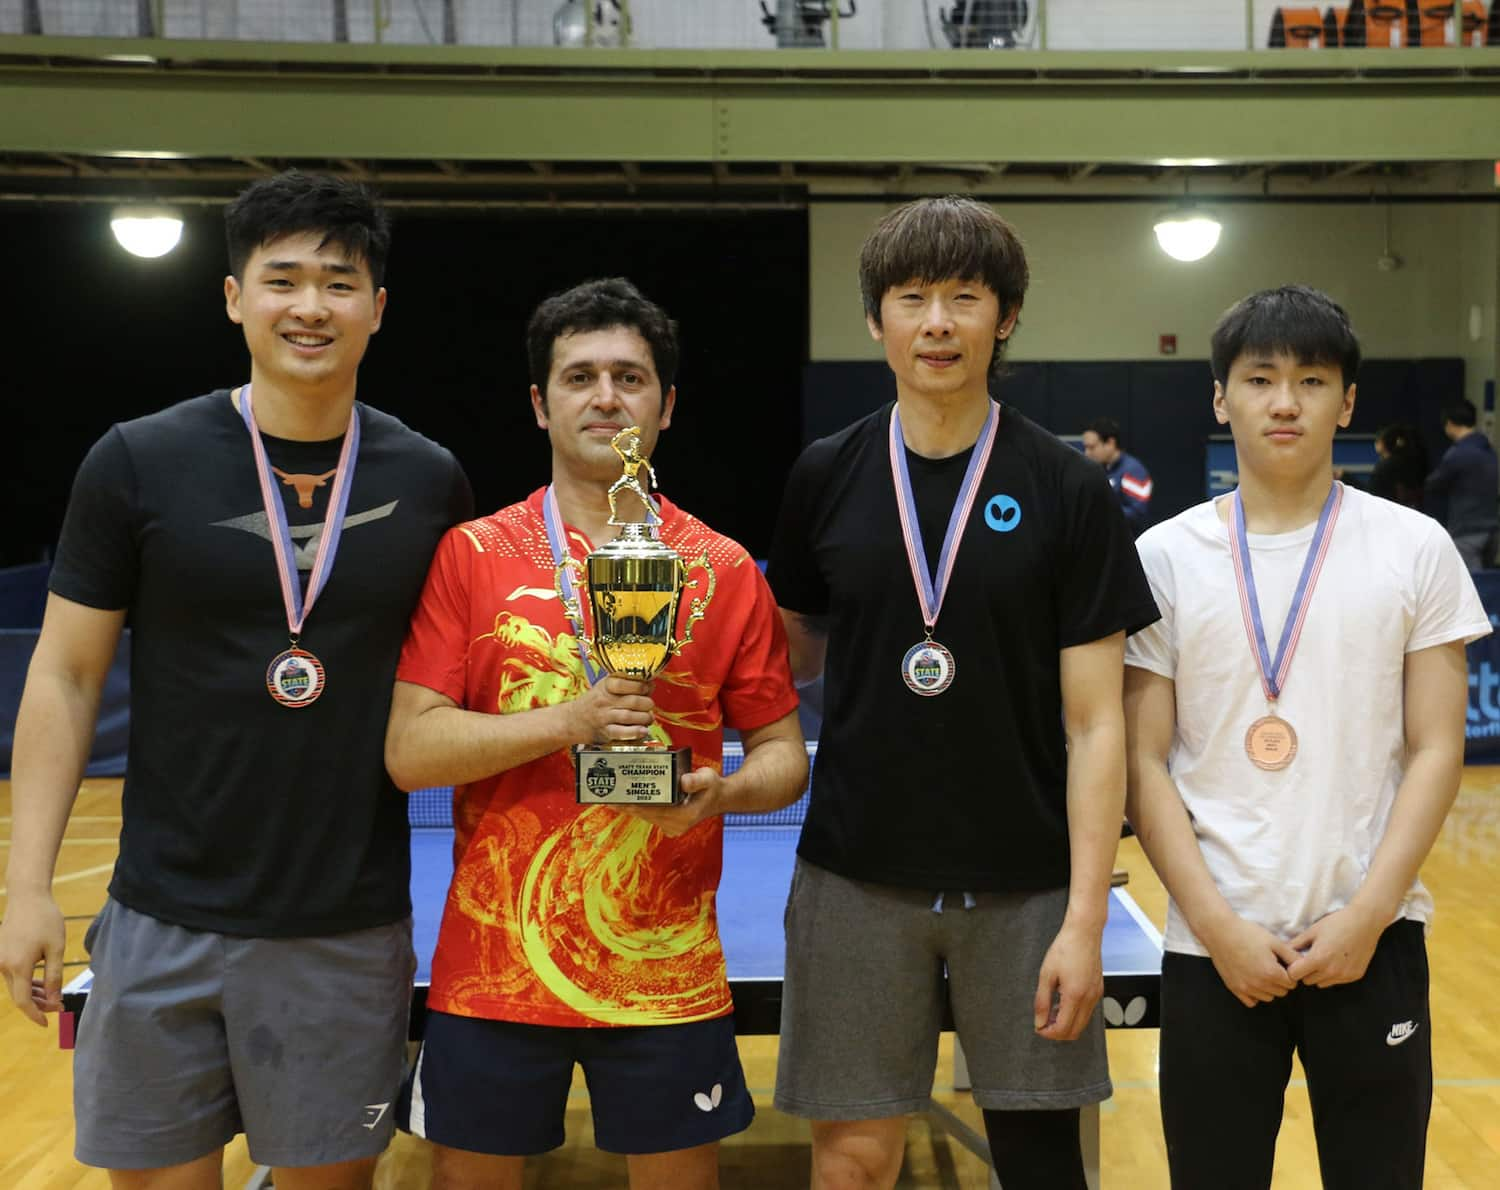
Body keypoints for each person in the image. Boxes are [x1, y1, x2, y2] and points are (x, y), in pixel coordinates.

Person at [0, 171, 473, 1188]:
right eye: (282, 279)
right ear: (233, 296)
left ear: (377, 309)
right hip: (162, 916)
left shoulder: (427, 478)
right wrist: (26, 886)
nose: (310, 306)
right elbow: (67, 676)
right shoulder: (135, 461)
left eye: (339, 283)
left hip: (342, 929)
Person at [765, 196, 1160, 1190]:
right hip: (854, 875)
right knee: (852, 1158)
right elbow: (791, 653)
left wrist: (1082, 920)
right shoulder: (825, 473)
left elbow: (1096, 718)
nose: (937, 321)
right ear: (876, 320)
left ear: (1006, 316)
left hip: (1024, 888)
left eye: (964, 297)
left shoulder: (1069, 488)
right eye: (911, 298)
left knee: (1039, 1163)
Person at [383, 277, 807, 1190]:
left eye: (629, 377)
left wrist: (725, 795)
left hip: (668, 968)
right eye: (579, 377)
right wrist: (572, 721)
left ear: (667, 406)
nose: (606, 396)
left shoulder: (724, 568)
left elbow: (784, 757)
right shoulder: (474, 554)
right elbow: (410, 749)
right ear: (541, 405)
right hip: (493, 966)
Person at [1123, 285, 1487, 1190]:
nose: (1285, 402)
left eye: (1312, 381)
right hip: (1214, 950)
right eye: (1260, 379)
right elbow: (1140, 757)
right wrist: (1214, 924)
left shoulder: (1415, 547)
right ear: (1221, 397)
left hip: (1374, 941)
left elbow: (1439, 748)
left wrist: (1366, 917)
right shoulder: (1161, 557)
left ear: (1348, 402)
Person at [1424, 398, 1499, 572]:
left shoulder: (1458, 454)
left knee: (1473, 584)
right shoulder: (1489, 450)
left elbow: (1434, 483)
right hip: (1492, 528)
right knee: (1488, 583)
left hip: (1467, 529)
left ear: (1450, 424)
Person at [1082, 417, 1153, 536]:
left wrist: (1100, 512)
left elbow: (1138, 514)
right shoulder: (1101, 468)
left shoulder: (1132, 470)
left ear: (1110, 443)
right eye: (1085, 447)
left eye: (1092, 447)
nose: (1087, 453)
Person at [1369, 422, 1426, 511]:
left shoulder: (1384, 467)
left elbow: (1371, 494)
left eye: (1377, 440)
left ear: (1381, 443)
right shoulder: (1407, 460)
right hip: (1412, 510)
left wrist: (1346, 477)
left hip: (1390, 512)